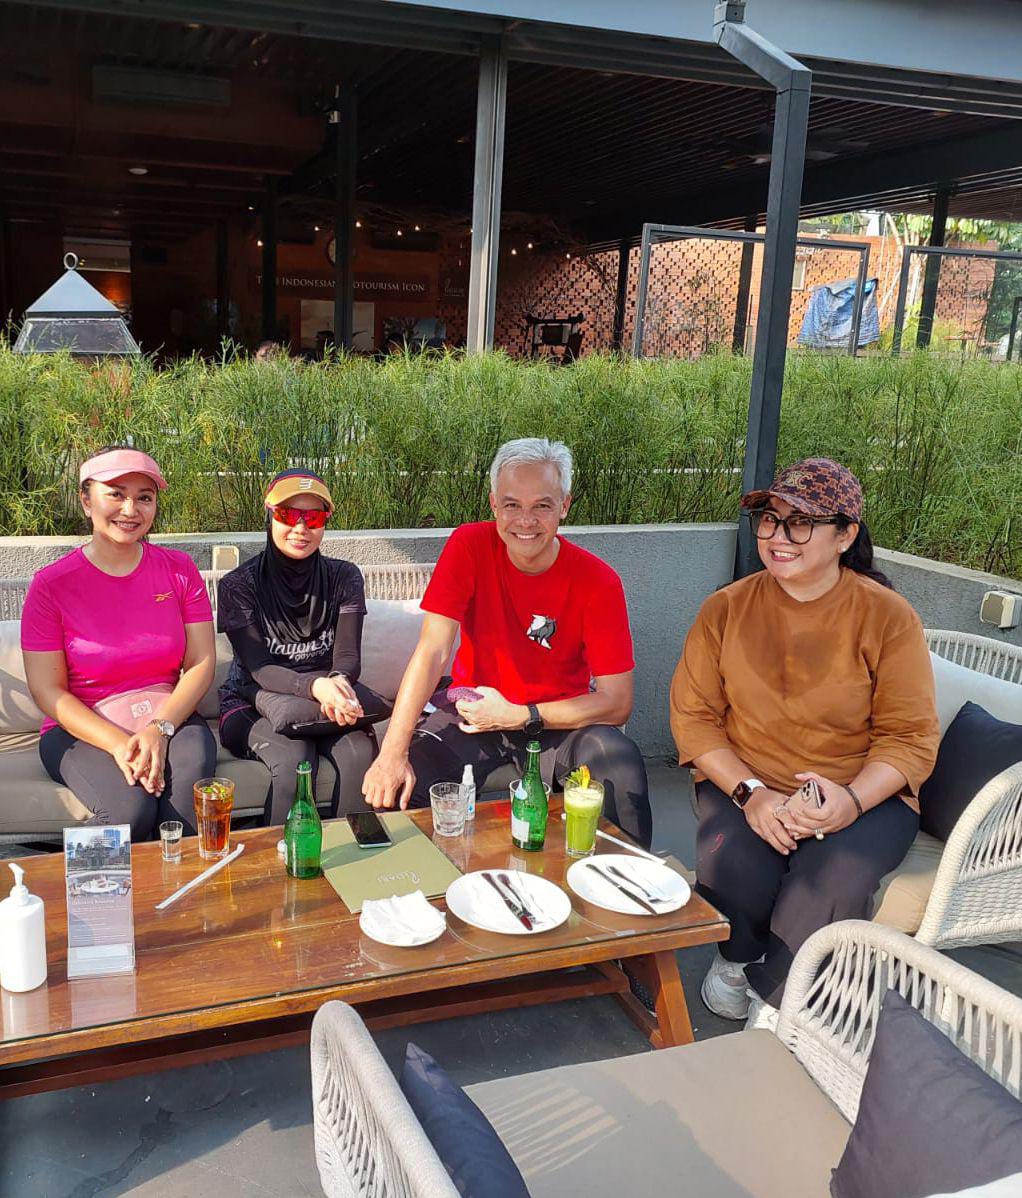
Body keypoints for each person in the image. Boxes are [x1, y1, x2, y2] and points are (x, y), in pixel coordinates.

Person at [670, 457, 939, 1028]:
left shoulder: (888, 617)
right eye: (770, 519)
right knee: (732, 857)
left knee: (834, 877)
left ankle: (781, 999)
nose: (777, 537)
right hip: (748, 777)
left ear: (845, 536)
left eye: (800, 523)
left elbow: (910, 737)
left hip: (862, 788)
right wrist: (751, 794)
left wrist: (851, 801)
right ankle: (738, 959)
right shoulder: (726, 608)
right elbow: (694, 719)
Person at [362, 437, 652, 848]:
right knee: (395, 789)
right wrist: (393, 751)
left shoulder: (598, 581)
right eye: (512, 504)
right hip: (473, 712)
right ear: (494, 504)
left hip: (557, 720)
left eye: (542, 505)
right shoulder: (469, 546)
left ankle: (623, 881)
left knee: (619, 765)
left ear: (565, 506)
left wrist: (521, 715)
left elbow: (617, 702)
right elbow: (432, 651)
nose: (526, 521)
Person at [21, 447, 217, 840]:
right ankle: (68, 879)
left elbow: (201, 661)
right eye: (115, 493)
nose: (130, 510)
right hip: (82, 729)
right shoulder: (51, 586)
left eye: (144, 497)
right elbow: (47, 690)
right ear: (85, 499)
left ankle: (184, 882)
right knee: (131, 809)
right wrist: (119, 743)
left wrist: (158, 730)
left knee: (185, 802)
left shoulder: (179, 571)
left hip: (170, 718)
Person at [217, 469, 379, 824]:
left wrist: (338, 682)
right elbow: (259, 667)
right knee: (294, 761)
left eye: (314, 518)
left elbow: (347, 655)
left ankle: (353, 852)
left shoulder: (344, 577)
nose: (301, 528)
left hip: (325, 699)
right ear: (269, 515)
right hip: (251, 701)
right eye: (288, 515)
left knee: (359, 755)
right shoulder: (238, 585)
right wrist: (315, 686)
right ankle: (282, 854)